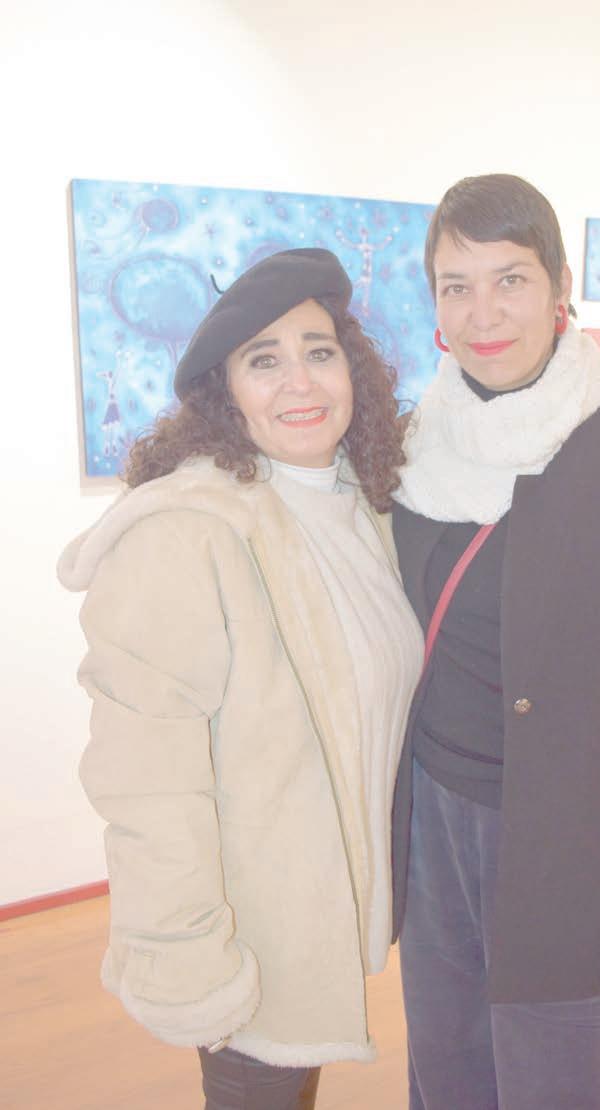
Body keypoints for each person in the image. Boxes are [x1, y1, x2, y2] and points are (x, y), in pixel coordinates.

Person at [58, 248, 423, 1110]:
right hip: (248, 937)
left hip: (318, 913)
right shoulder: (186, 532)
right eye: (264, 360)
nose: (299, 381)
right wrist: (188, 958)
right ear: (226, 393)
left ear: (353, 369)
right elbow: (147, 783)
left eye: (319, 351)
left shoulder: (360, 509)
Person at [390, 174, 600, 1110]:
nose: (483, 314)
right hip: (435, 829)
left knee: (555, 1084)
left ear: (560, 285)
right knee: (446, 1077)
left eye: (511, 280)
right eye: (456, 286)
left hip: (575, 851)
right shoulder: (412, 449)